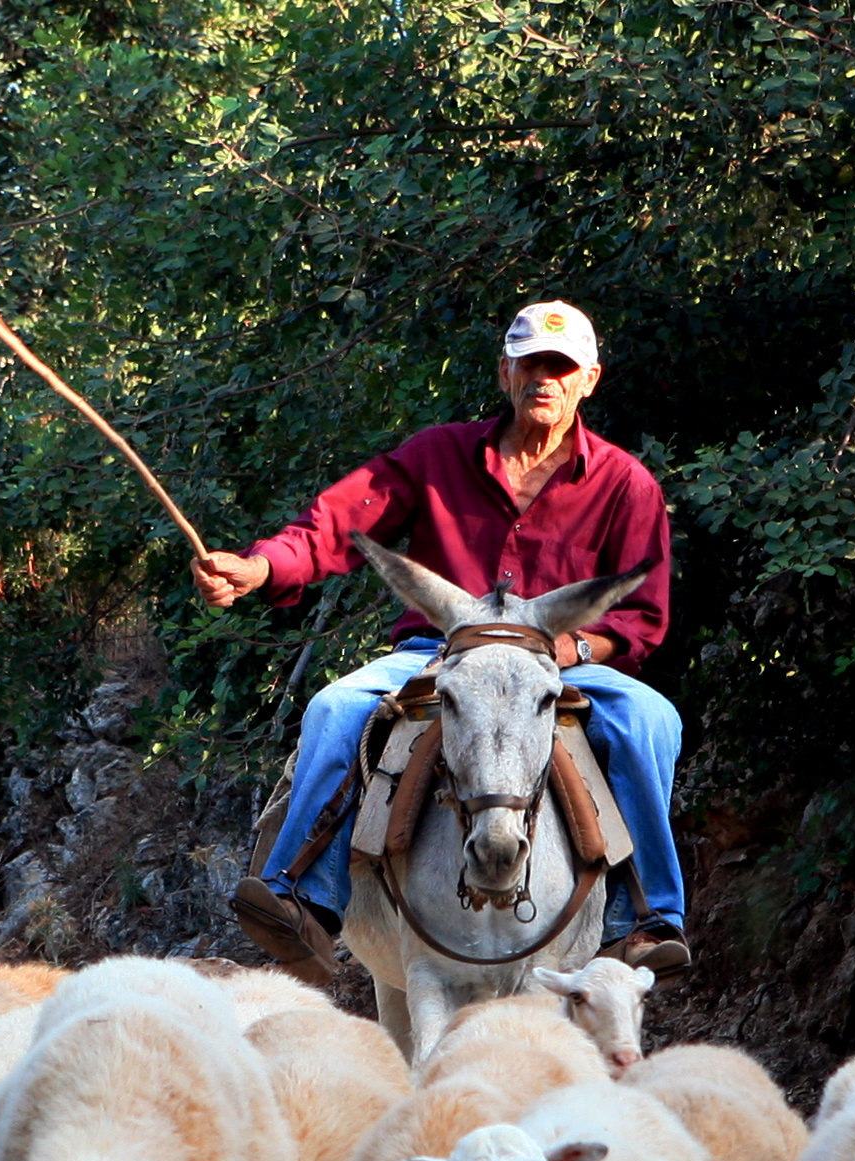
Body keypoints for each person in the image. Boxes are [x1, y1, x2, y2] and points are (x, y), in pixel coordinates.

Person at [194, 300, 690, 986]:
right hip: (436, 651)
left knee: (648, 720)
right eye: (529, 363)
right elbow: (337, 523)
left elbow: (640, 619)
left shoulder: (624, 484)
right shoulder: (435, 456)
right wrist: (259, 567)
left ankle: (644, 918)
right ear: (503, 372)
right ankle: (300, 898)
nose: (543, 378)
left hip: (556, 662)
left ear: (588, 379)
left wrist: (567, 653)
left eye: (560, 366)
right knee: (334, 709)